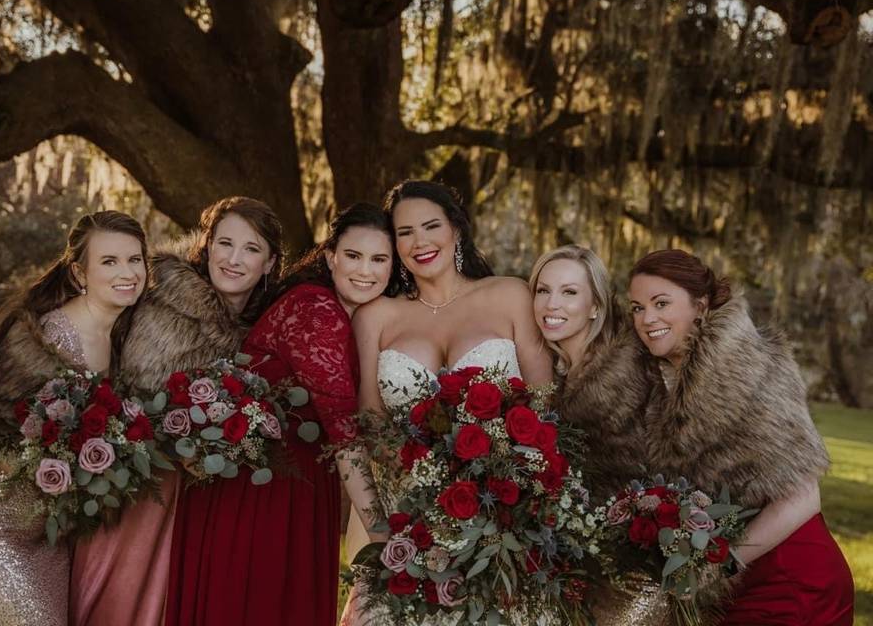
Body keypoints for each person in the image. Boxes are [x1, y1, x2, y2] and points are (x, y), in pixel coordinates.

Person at [166, 203, 397, 626]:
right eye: (353, 255)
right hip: (260, 493)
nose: (365, 270)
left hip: (300, 487)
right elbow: (344, 431)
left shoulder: (359, 317)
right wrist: (384, 538)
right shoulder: (315, 308)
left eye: (379, 259)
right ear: (330, 257)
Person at [341, 180, 552, 625]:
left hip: (503, 520)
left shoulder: (509, 294)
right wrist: (421, 487)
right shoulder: (375, 316)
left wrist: (501, 483)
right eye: (404, 232)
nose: (419, 242)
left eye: (430, 226)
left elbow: (545, 408)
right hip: (410, 521)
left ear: (456, 229)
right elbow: (370, 421)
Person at [68, 196, 281, 626]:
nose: (234, 260)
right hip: (135, 486)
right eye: (225, 244)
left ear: (271, 262)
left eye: (251, 249)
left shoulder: (265, 327)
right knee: (117, 600)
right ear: (207, 245)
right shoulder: (162, 294)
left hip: (199, 502)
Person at [0, 211, 147, 626]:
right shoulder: (46, 336)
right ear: (78, 271)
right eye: (109, 261)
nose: (127, 272)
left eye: (135, 259)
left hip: (47, 539)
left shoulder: (124, 335)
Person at [628, 249, 854, 625]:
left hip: (792, 577)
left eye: (661, 303)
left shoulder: (752, 370)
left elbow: (803, 496)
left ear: (700, 306)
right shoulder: (656, 380)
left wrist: (724, 565)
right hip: (724, 588)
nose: (647, 318)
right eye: (637, 307)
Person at [529, 244, 651, 501]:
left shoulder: (633, 370)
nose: (551, 304)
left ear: (595, 306)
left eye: (569, 292)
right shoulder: (542, 369)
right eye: (543, 291)